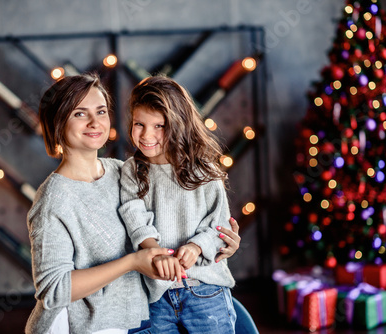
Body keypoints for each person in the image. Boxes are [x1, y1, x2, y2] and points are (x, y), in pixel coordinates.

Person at [25, 73, 242, 334]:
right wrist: (131, 262)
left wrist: (217, 244)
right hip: (94, 328)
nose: (95, 122)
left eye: (101, 111)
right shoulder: (54, 200)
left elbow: (200, 217)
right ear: (57, 123)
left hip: (148, 317)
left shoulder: (124, 172)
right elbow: (53, 289)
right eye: (80, 114)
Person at [119, 75, 253, 334]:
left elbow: (219, 225)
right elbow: (134, 217)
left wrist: (196, 246)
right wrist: (156, 252)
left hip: (205, 291)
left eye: (159, 125)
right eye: (139, 124)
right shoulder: (131, 171)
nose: (147, 135)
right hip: (156, 296)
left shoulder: (203, 169)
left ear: (179, 124)